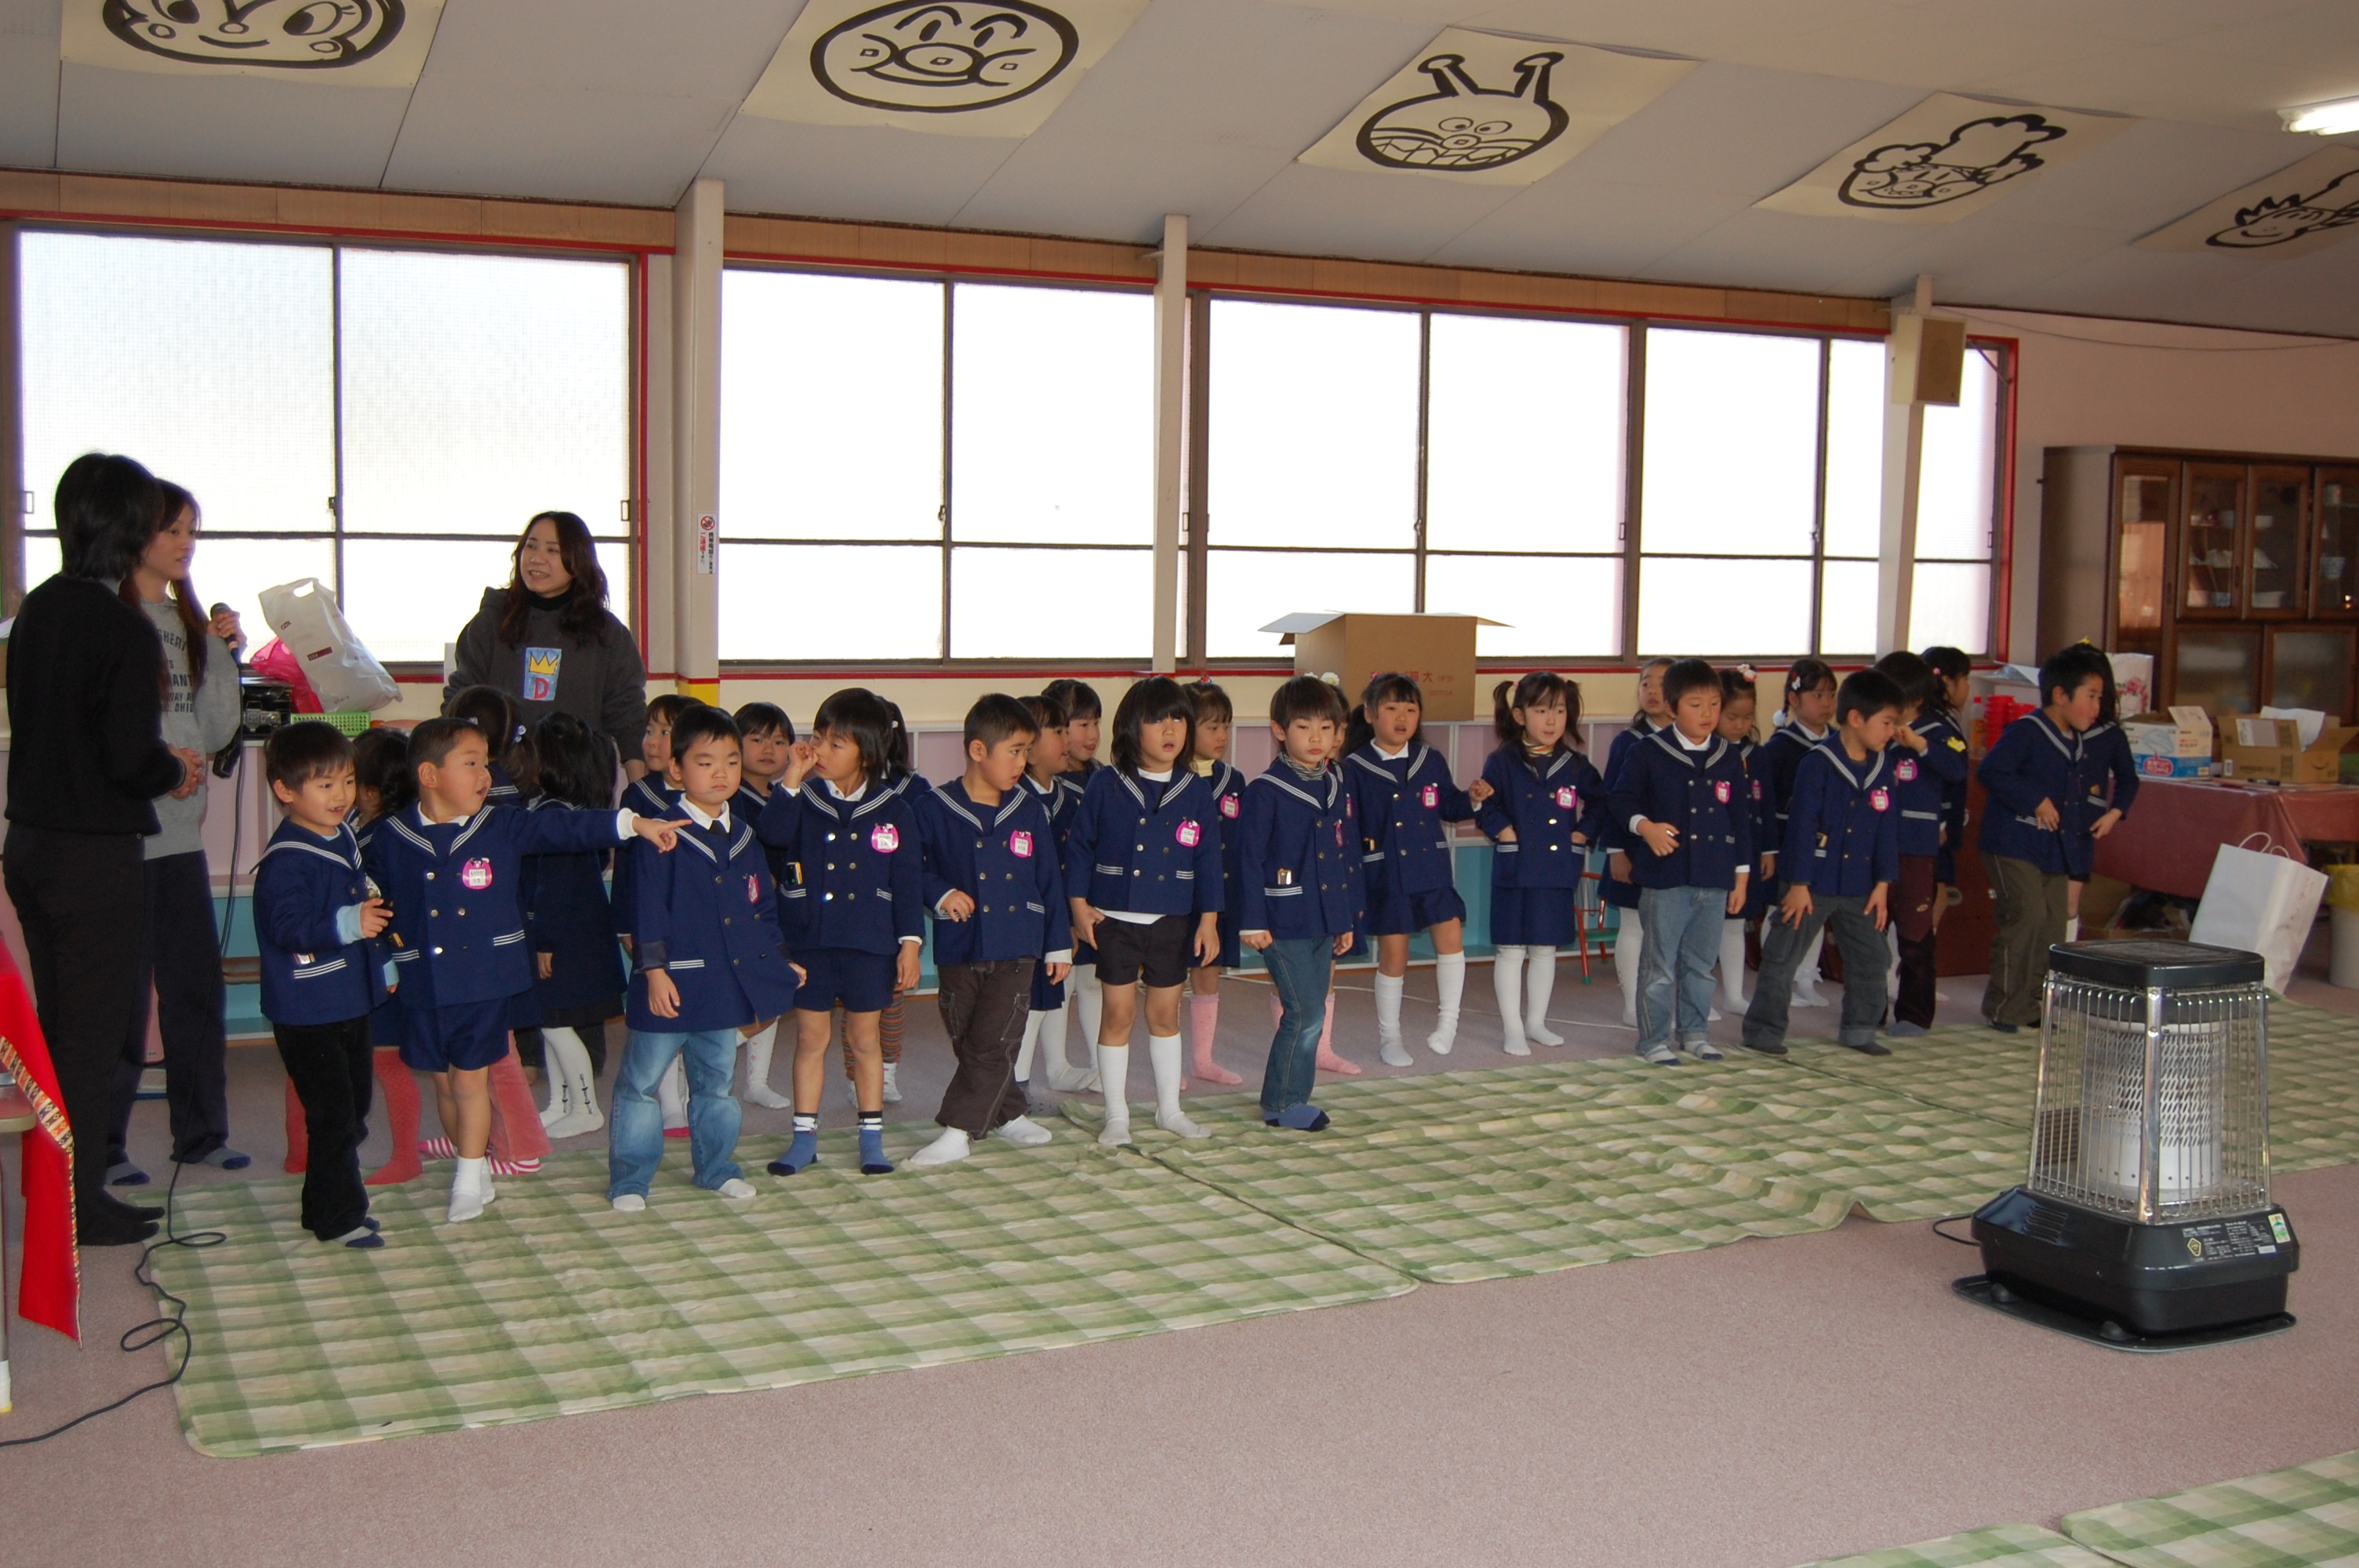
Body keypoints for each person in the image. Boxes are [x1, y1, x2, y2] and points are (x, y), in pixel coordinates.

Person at [365, 718, 685, 1222]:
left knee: (469, 1081)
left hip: (486, 980)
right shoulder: (389, 836)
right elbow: (373, 899)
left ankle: (467, 1179)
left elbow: (566, 828)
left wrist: (632, 824)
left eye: (485, 763)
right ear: (429, 775)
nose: (485, 775)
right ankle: (476, 1164)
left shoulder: (501, 824)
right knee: (445, 1084)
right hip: (424, 982)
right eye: (471, 763)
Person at [5, 452, 205, 1247]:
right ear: (128, 527)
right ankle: (80, 1205)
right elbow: (128, 758)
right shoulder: (120, 624)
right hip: (93, 856)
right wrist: (174, 767)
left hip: (31, 844)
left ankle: (58, 1188)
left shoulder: (39, 608)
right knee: (92, 1038)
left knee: (60, 1028)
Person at [104, 478, 249, 1188]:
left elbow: (217, 730)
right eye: (173, 529)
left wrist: (223, 653)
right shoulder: (106, 616)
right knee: (121, 1002)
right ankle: (105, 1147)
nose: (185, 543)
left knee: (195, 991)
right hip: (120, 841)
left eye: (192, 530)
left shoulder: (189, 625)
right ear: (136, 531)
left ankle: (201, 1134)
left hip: (181, 840)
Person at [609, 706, 798, 1212]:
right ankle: (630, 1180)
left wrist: (781, 958)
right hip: (670, 983)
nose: (721, 773)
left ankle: (717, 1169)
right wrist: (653, 971)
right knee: (641, 1085)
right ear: (677, 769)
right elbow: (648, 908)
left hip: (723, 986)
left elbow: (761, 908)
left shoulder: (745, 837)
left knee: (716, 1084)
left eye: (731, 762)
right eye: (705, 762)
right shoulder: (661, 833)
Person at [757, 689, 923, 1178]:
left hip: (870, 944)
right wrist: (792, 776)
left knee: (865, 1041)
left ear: (866, 753)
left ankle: (871, 1137)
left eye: (835, 744)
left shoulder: (895, 810)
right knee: (811, 1039)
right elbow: (771, 835)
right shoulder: (802, 799)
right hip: (811, 941)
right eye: (818, 739)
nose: (820, 751)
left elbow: (908, 884)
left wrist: (910, 945)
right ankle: (803, 1138)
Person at [907, 695, 1070, 1167]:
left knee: (994, 1040)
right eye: (1014, 751)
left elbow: (1048, 878)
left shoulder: (1029, 810)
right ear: (978, 750)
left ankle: (958, 1131)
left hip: (1018, 945)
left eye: (1027, 751)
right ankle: (1009, 1112)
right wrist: (941, 894)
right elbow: (912, 870)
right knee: (969, 1037)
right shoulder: (933, 807)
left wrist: (1058, 944)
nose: (1023, 762)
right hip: (960, 946)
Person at [1064, 676, 1223, 1147]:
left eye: (1178, 719)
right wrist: (1078, 906)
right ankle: (1116, 1114)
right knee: (1117, 1016)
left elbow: (1209, 860)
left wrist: (1209, 920)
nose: (1170, 730)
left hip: (1172, 920)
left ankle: (1169, 1109)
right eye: (1157, 721)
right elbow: (1080, 849)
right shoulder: (1105, 784)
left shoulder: (1195, 790)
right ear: (1133, 729)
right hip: (1114, 920)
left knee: (1165, 1015)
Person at [252, 722, 391, 1249]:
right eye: (325, 784)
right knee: (333, 1116)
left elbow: (365, 901)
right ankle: (338, 1218)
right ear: (285, 790)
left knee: (353, 1108)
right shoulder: (286, 860)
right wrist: (350, 923)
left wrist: (382, 963)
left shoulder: (343, 835)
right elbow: (286, 928)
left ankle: (322, 1205)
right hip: (306, 1008)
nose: (341, 795)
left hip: (349, 998)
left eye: (348, 781)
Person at [1741, 670, 1904, 1059]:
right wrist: (1798, 883)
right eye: (1886, 722)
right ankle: (1764, 1030)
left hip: (1861, 884)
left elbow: (1887, 829)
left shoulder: (1883, 767)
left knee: (1873, 958)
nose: (1892, 732)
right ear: (1856, 718)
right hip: (1812, 882)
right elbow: (1802, 826)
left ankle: (1860, 1029)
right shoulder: (1818, 762)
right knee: (1783, 956)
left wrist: (1883, 883)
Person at [1610, 659, 1753, 1066]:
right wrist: (1646, 828)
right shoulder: (1647, 752)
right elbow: (1620, 801)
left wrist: (1741, 876)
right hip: (1666, 879)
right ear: (1672, 708)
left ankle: (1695, 1033)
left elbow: (1740, 818)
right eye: (1696, 705)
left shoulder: (1728, 756)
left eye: (1714, 704)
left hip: (1714, 876)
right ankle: (1653, 1039)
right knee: (1659, 967)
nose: (1707, 714)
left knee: (1701, 965)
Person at [1343, 672, 1491, 1063]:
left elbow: (1449, 806)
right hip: (1386, 875)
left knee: (1452, 940)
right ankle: (1390, 1037)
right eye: (1392, 708)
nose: (1402, 717)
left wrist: (1473, 799)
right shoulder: (1354, 767)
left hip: (1432, 870)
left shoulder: (1430, 759)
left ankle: (1448, 1024)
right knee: (1394, 957)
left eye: (1410, 709)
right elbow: (1350, 829)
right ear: (1370, 714)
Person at [1238, 676, 1363, 1131]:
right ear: (1279, 729)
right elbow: (1248, 859)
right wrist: (1251, 920)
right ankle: (1283, 1103)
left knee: (1314, 1011)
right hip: (1282, 918)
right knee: (1305, 1012)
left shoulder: (1336, 782)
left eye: (1326, 728)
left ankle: (1290, 1098)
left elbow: (1343, 853)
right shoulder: (1266, 790)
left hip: (1324, 917)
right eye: (1304, 727)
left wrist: (1345, 918)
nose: (1316, 738)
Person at [1976, 644, 2118, 1034]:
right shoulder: (2027, 731)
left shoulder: (2077, 740)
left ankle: (2031, 1003)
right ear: (2060, 694)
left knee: (2054, 925)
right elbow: (1991, 771)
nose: (2097, 706)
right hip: (2012, 843)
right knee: (2027, 917)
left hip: (2053, 849)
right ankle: (2004, 1006)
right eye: (2091, 696)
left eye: (2100, 697)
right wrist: (2035, 800)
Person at [445, 510, 649, 781]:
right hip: (500, 782)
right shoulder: (491, 622)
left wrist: (638, 792)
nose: (536, 558)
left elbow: (628, 717)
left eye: (553, 550)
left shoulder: (607, 633)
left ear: (578, 560)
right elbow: (461, 703)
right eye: (530, 546)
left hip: (579, 783)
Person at [1477, 674, 1605, 1056]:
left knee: (1546, 949)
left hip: (1556, 869)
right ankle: (1513, 1028)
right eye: (1542, 710)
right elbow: (1485, 805)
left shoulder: (1576, 764)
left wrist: (1581, 835)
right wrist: (1504, 832)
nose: (1551, 720)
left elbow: (1601, 803)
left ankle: (1536, 1022)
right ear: (1520, 715)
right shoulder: (1502, 760)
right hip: (1515, 870)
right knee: (1511, 950)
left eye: (1560, 711)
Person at [519, 713, 627, 1138]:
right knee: (551, 1022)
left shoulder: (553, 816)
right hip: (575, 936)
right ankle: (560, 1103)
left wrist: (543, 940)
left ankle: (586, 1107)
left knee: (555, 1024)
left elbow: (554, 887)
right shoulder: (573, 812)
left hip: (564, 941)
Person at [1874, 652, 1969, 1036]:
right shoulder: (1876, 727)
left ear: (1914, 698)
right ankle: (1868, 1011)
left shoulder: (1939, 730)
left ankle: (1914, 1014)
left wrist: (1919, 745)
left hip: (1917, 847)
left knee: (1915, 934)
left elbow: (1958, 769)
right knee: (1869, 934)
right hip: (1874, 843)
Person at [1012, 691, 1096, 1102]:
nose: (1067, 740)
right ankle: (1015, 1089)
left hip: (1066, 918)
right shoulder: (1012, 802)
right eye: (1058, 731)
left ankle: (1052, 1069)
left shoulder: (1071, 798)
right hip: (1029, 924)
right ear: (1027, 746)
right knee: (1029, 1004)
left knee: (1054, 993)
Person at [1763, 659, 1840, 1009]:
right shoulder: (1780, 747)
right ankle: (1779, 980)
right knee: (1782, 911)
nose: (1827, 703)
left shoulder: (1840, 743)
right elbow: (1766, 801)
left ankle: (1807, 977)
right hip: (1787, 841)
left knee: (1815, 911)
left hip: (1826, 844)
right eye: (1818, 695)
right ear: (1794, 700)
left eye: (1831, 695)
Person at [1602, 657, 1674, 1029]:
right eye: (1646, 683)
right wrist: (1616, 851)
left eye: (1662, 683)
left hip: (1673, 852)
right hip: (1633, 848)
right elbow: (1612, 799)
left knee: (1672, 930)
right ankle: (1632, 1004)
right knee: (1634, 925)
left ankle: (1672, 1003)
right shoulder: (1628, 742)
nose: (1653, 691)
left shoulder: (1690, 741)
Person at [731, 701, 797, 1109]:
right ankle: (704, 1056)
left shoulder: (784, 795)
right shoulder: (731, 796)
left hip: (777, 913)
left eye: (779, 741)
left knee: (773, 992)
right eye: (756, 739)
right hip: (744, 913)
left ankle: (757, 1081)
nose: (769, 749)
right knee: (754, 996)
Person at [1184, 681, 1247, 1086]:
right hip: (1179, 897)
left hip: (1219, 895)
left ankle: (1202, 1060)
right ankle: (1167, 1061)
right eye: (1212, 727)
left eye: (1226, 726)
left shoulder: (1234, 779)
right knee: (1169, 980)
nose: (1222, 735)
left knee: (1209, 971)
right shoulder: (1172, 778)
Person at [1041, 677, 1106, 1059]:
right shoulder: (1051, 786)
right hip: (1062, 902)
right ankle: (1057, 1064)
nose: (1092, 734)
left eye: (1096, 723)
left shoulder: (1102, 776)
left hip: (1095, 900)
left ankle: (1100, 1062)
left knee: (1094, 982)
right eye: (1082, 724)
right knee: (1060, 981)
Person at [2070, 649, 2140, 942]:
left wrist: (2114, 813)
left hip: (2083, 826)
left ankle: (2061, 959)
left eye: (2097, 695)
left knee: (2070, 902)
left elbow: (2128, 779)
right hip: (2048, 825)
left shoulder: (2110, 733)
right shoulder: (2050, 728)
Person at [1714, 666, 1769, 1010]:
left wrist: (1769, 851)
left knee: (1735, 925)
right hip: (1713, 852)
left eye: (1747, 717)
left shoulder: (1757, 755)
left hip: (1746, 853)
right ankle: (1701, 999)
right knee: (1705, 929)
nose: (1740, 725)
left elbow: (1768, 806)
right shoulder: (1709, 753)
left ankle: (1734, 995)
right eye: (1732, 717)